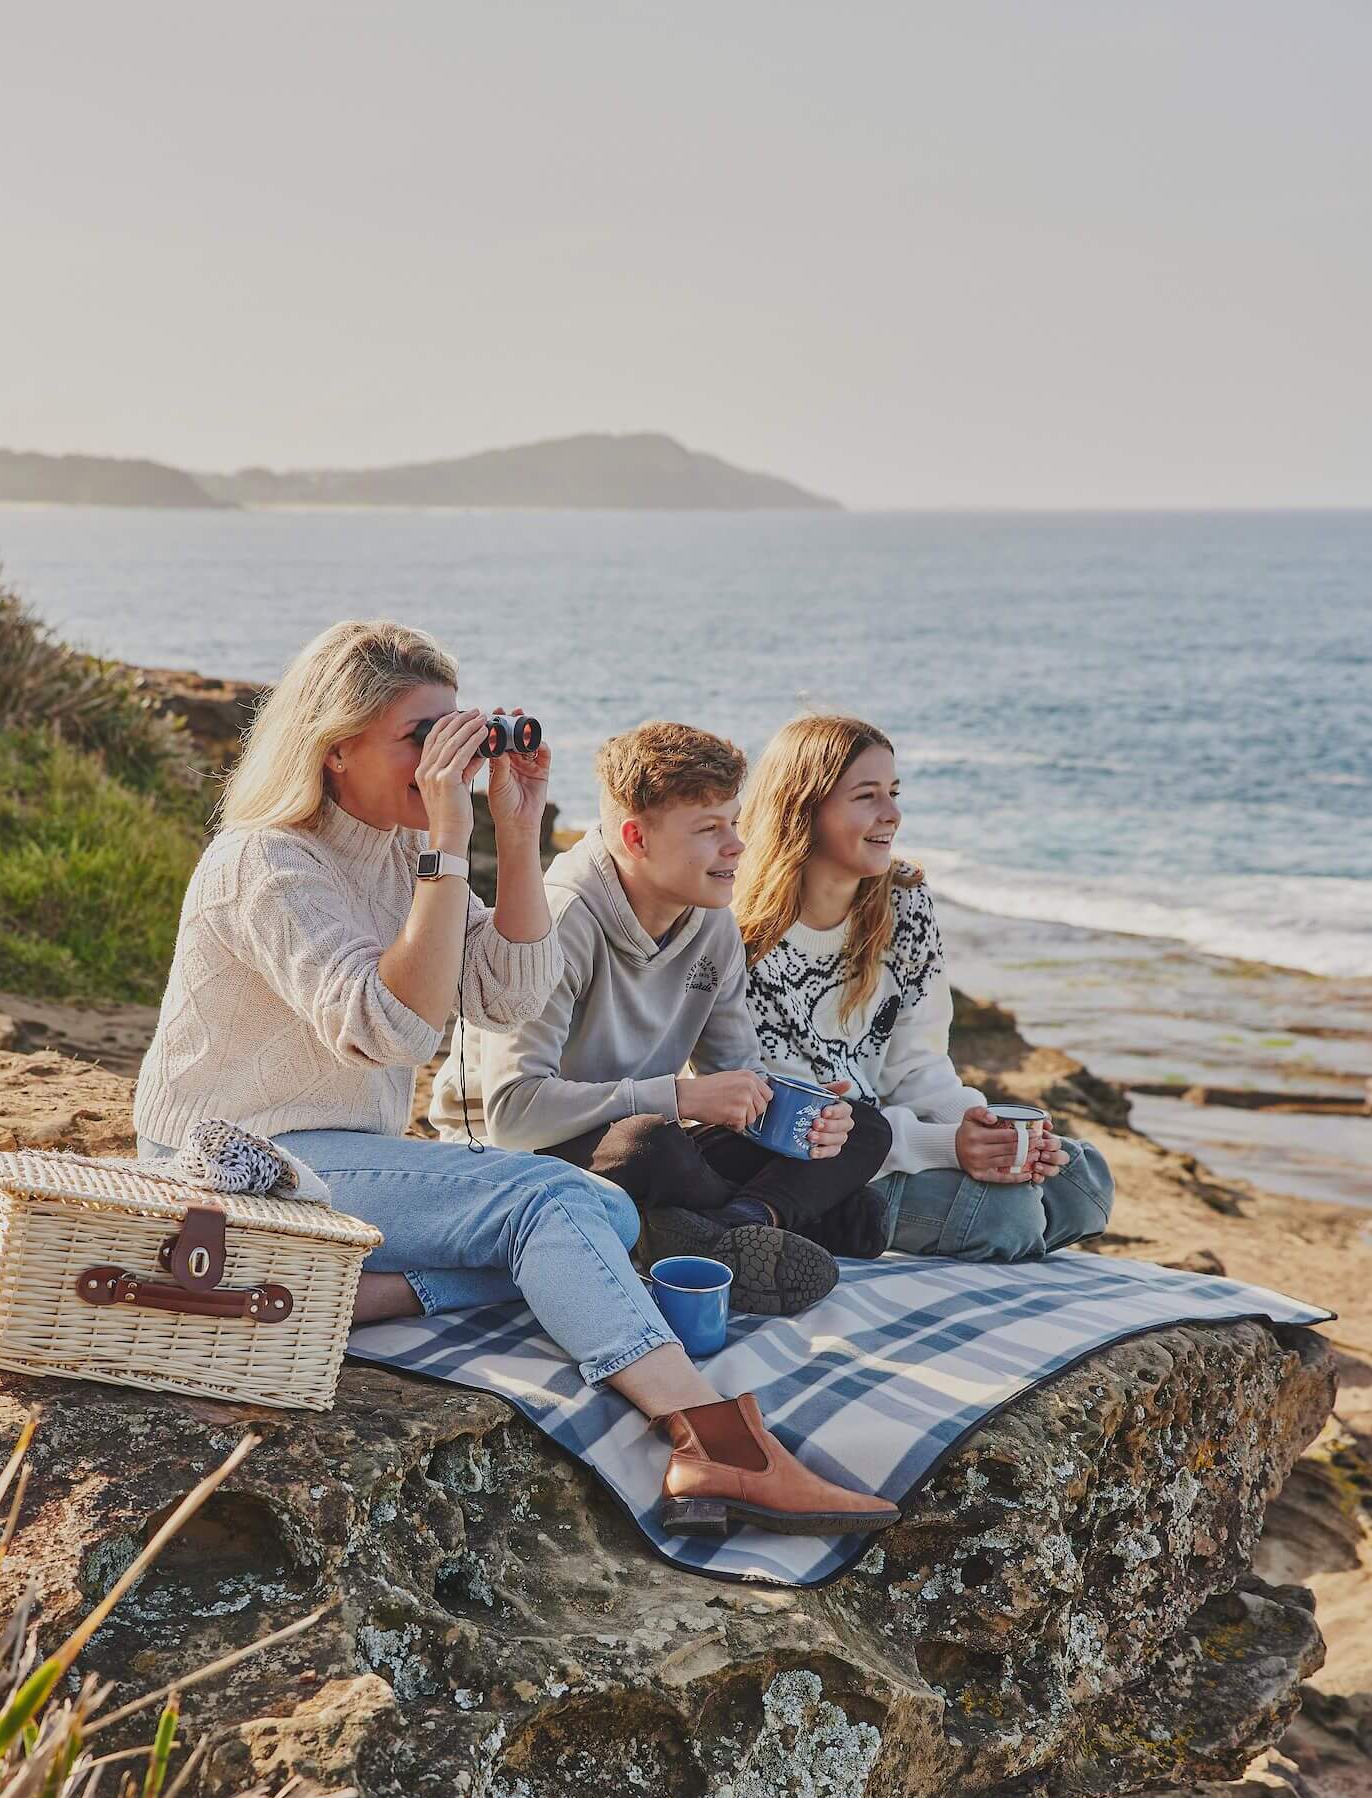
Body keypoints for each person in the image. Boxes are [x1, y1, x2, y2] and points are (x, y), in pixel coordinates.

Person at [132, 620, 896, 1540]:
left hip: (335, 1162)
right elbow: (389, 1026)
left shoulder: (393, 855)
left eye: (457, 731)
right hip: (232, 1163)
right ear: (335, 752)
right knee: (546, 1207)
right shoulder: (264, 861)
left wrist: (515, 825)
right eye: (420, 738)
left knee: (607, 1218)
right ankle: (710, 1440)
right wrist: (447, 840)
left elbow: (508, 990)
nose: (443, 757)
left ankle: (324, 1297)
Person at [431, 721, 891, 1308]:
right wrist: (679, 1098)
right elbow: (513, 1116)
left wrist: (792, 1104)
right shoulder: (556, 920)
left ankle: (738, 1224)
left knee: (862, 1125)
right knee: (651, 1145)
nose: (736, 847)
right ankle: (775, 1218)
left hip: (647, 1140)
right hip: (518, 1157)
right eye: (708, 829)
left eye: (734, 823)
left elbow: (737, 1071)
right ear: (635, 837)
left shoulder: (711, 918)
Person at [734, 714, 1115, 1261]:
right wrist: (948, 1148)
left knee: (1083, 1180)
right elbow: (803, 1122)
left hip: (896, 1137)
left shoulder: (903, 901)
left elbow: (918, 1066)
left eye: (893, 792)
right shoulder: (746, 942)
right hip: (818, 1164)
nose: (893, 814)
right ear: (805, 809)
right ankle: (828, 1226)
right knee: (1007, 1216)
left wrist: (982, 1132)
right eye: (866, 796)